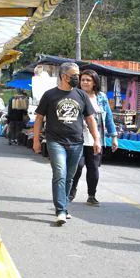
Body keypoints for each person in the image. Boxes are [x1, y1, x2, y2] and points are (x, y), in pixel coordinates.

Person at [33, 63, 101, 226]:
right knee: (60, 173)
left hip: (77, 142)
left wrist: (96, 139)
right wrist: (36, 140)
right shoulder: (50, 95)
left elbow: (90, 119)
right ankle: (61, 210)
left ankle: (64, 206)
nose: (77, 78)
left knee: (69, 177)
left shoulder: (82, 95)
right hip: (55, 141)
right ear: (64, 76)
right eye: (75, 75)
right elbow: (39, 118)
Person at [69, 69, 119, 205]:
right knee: (77, 166)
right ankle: (71, 190)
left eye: (88, 80)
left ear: (94, 82)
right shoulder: (74, 94)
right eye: (83, 79)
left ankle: (92, 195)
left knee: (93, 167)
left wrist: (113, 136)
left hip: (96, 139)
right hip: (77, 137)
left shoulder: (101, 97)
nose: (85, 82)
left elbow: (108, 117)